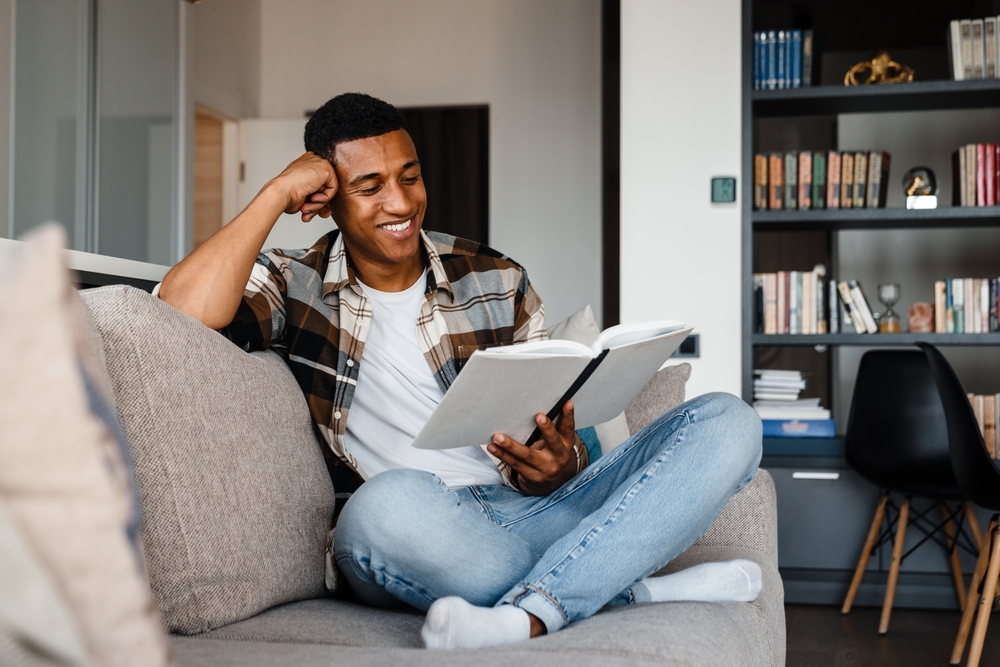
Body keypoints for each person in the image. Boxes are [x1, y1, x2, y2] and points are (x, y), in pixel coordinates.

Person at [158, 92, 763, 650]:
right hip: (416, 529)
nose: (400, 203)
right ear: (326, 199)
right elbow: (179, 311)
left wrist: (561, 464)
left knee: (728, 421)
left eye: (409, 176)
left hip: (522, 512)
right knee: (384, 505)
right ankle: (624, 586)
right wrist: (273, 194)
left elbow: (550, 438)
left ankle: (530, 611)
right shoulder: (296, 282)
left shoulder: (495, 277)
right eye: (368, 187)